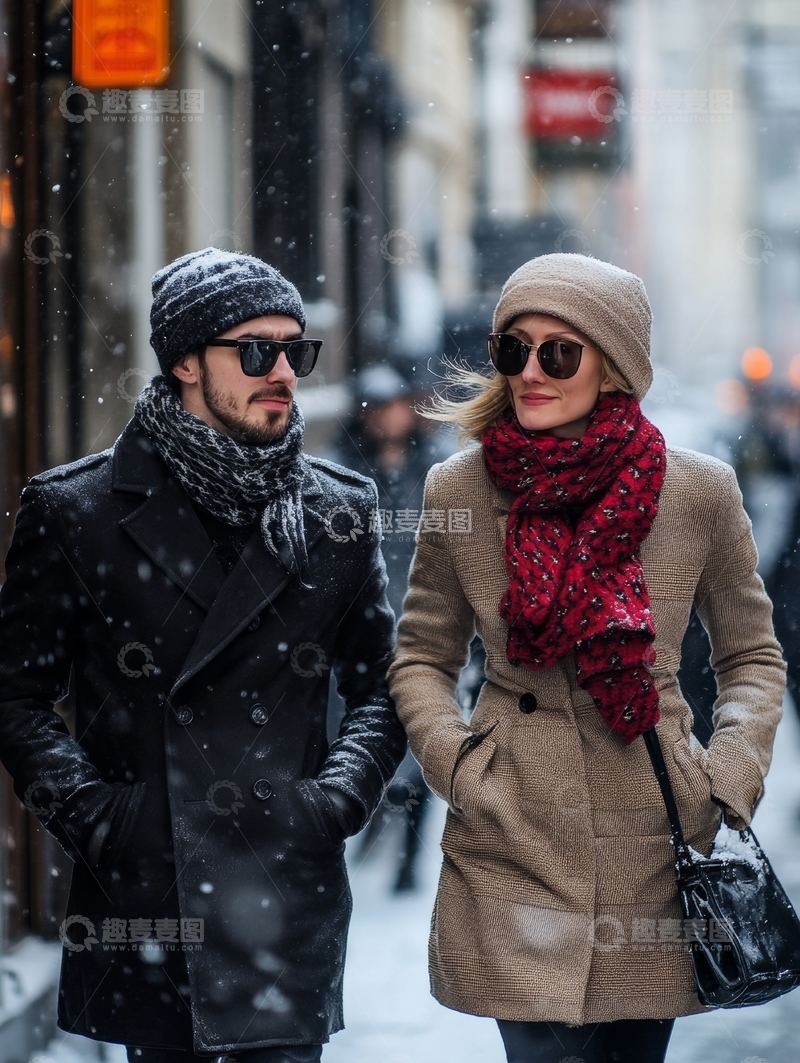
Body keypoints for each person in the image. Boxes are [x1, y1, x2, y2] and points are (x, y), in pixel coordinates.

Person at [0, 248, 405, 1063]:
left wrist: (335, 802)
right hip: (149, 902)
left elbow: (385, 686)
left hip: (284, 897)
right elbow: (14, 695)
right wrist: (100, 817)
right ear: (185, 360)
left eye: (299, 350)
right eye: (257, 350)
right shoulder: (76, 510)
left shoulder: (338, 512)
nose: (285, 371)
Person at [387, 253, 786, 1063]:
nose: (530, 372)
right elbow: (421, 655)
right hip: (512, 834)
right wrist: (460, 765)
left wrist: (726, 775)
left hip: (655, 837)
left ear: (615, 364)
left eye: (558, 352)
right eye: (514, 350)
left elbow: (753, 655)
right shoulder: (458, 492)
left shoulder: (696, 491)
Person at [325, 364, 433, 891]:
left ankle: (409, 858)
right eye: (380, 407)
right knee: (363, 726)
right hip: (361, 624)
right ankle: (370, 817)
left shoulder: (432, 468)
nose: (392, 417)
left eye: (399, 405)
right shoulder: (344, 471)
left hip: (420, 620)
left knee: (424, 734)